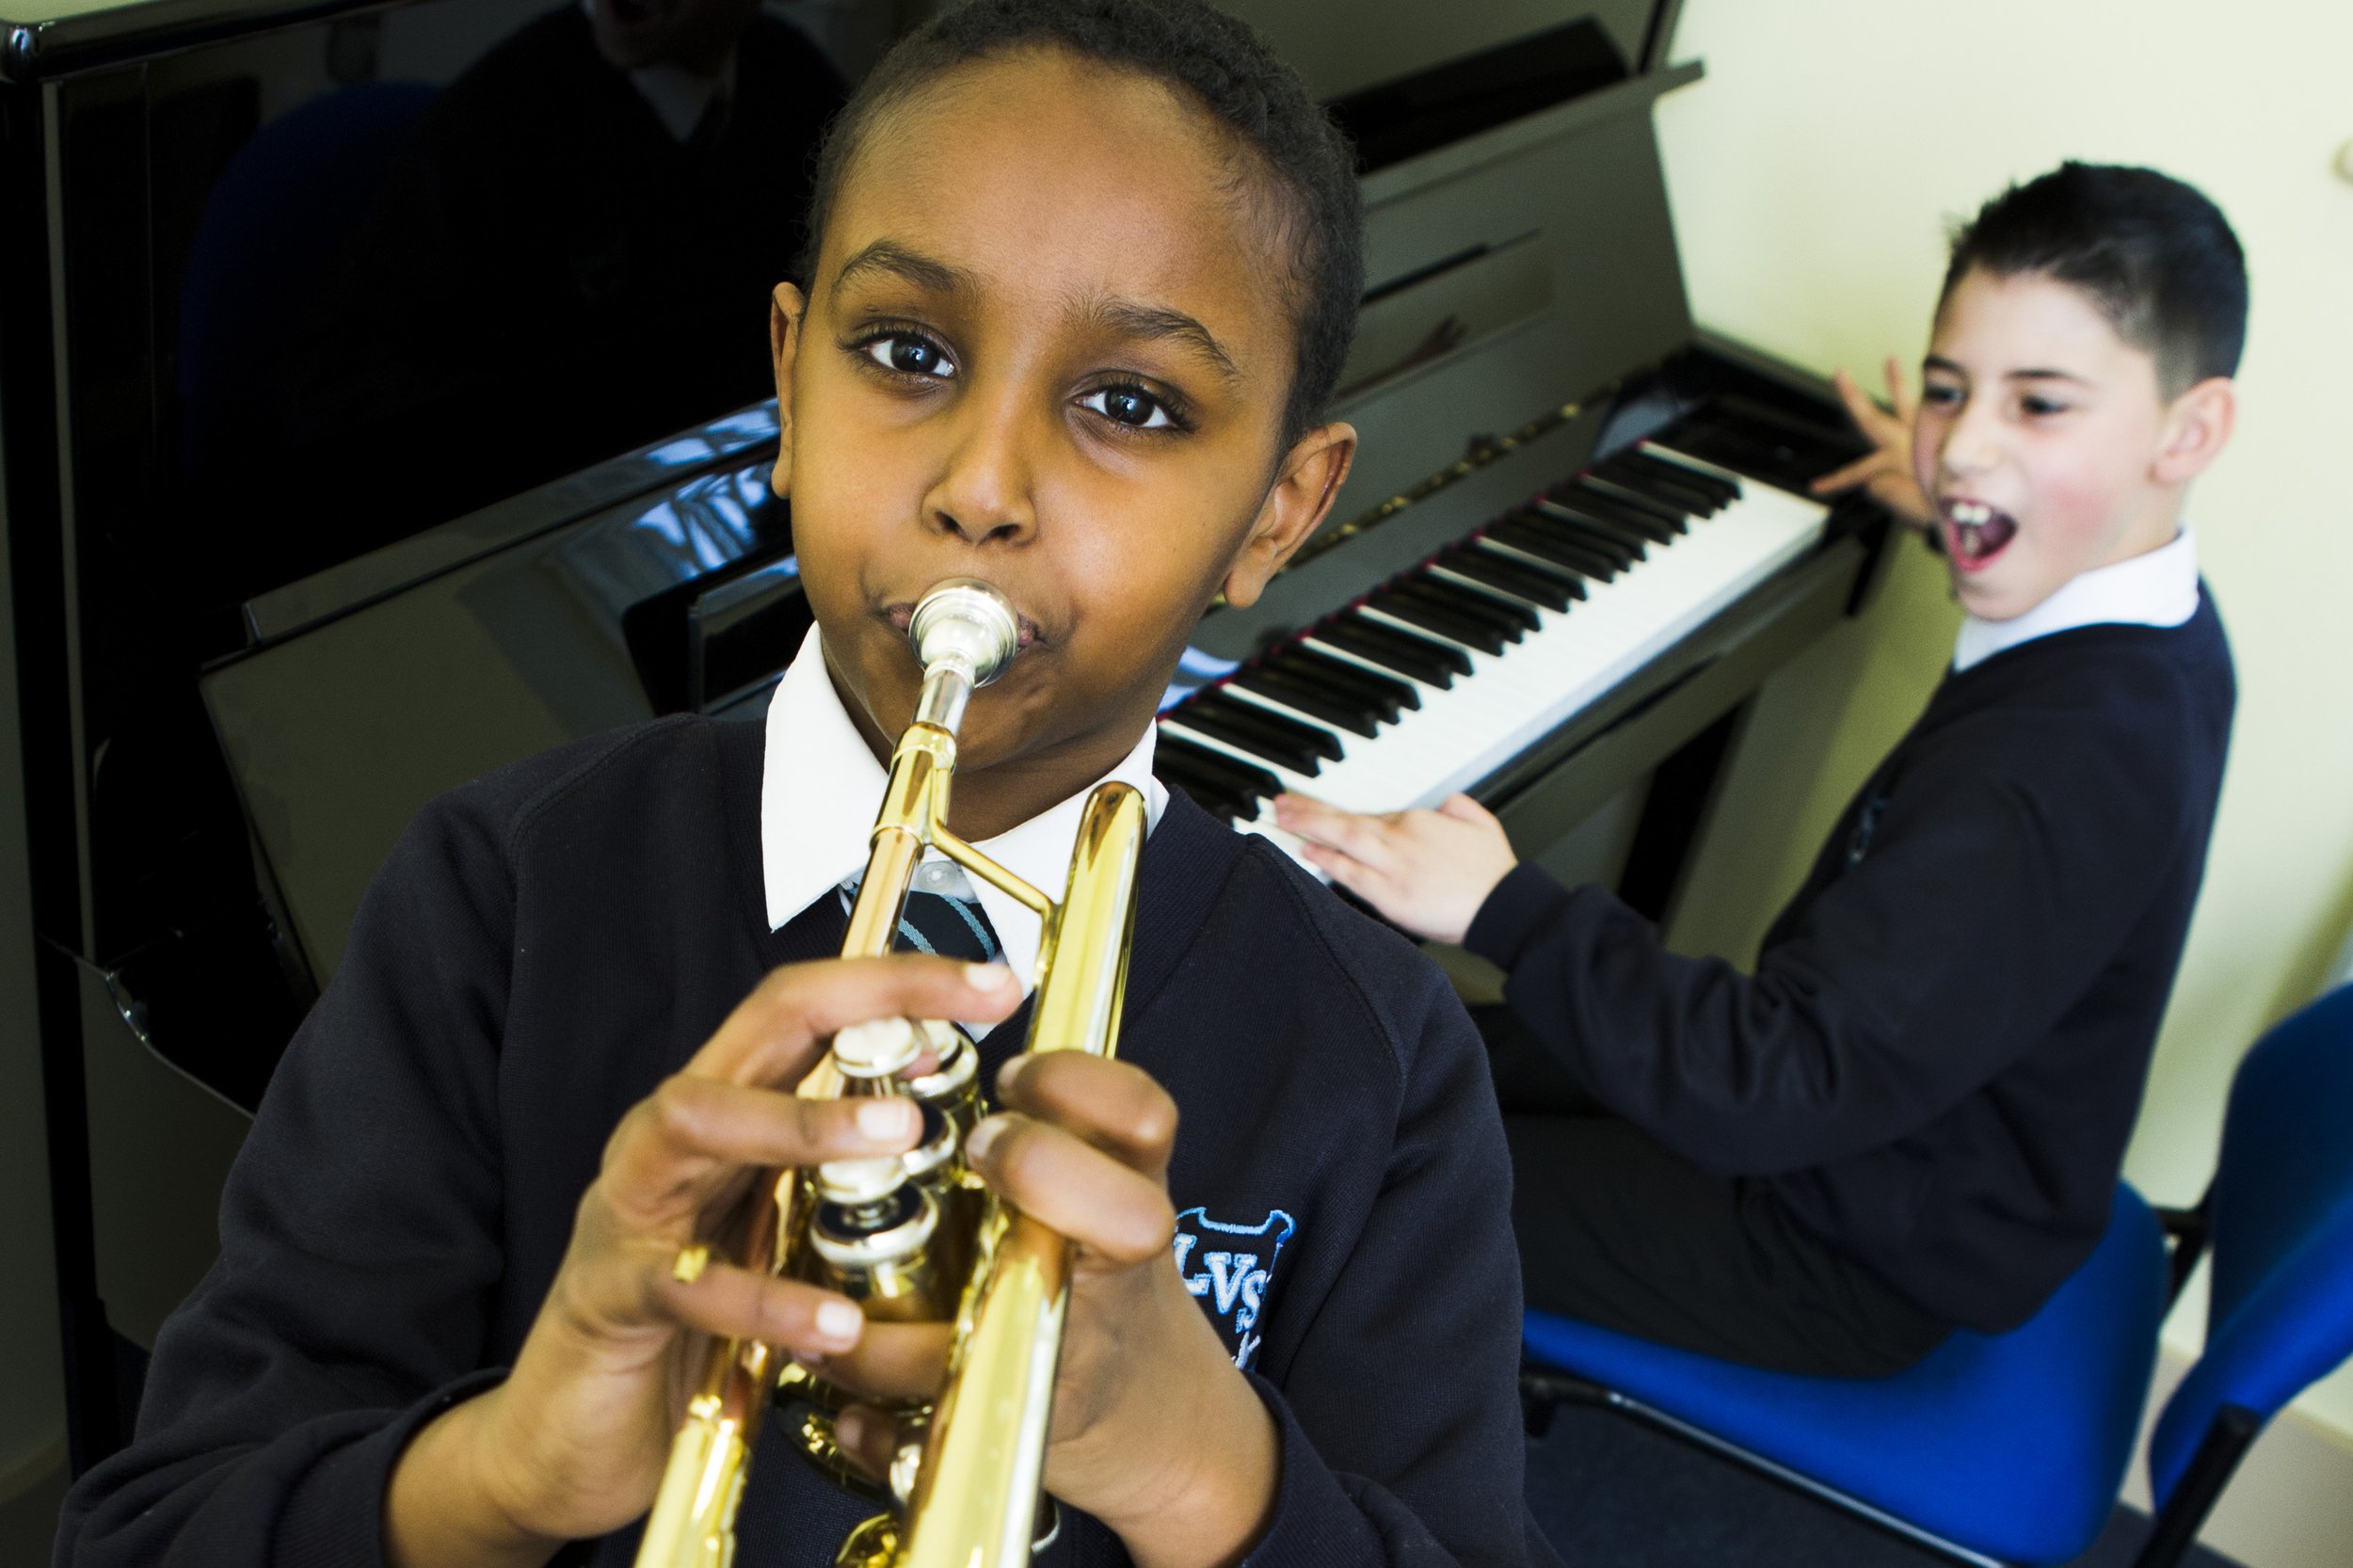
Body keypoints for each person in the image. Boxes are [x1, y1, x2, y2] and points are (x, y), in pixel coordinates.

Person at [56, 4, 1552, 1566]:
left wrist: (1195, 1465)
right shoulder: (496, 894)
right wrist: (499, 1471)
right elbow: (157, 1531)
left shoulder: (1384, 1065)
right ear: (788, 378)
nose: (979, 487)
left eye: (1131, 404)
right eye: (907, 353)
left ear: (1278, 514)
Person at [1276, 162, 2244, 1378]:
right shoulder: (2150, 625)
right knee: (1415, 1047)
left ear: (2189, 429)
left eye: (2039, 407)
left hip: (1847, 1242)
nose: (1962, 448)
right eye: (1949, 393)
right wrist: (1965, 505)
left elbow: (1778, 1080)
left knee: (1364, 1171)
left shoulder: (2061, 766)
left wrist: (1503, 906)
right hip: (1862, 1123)